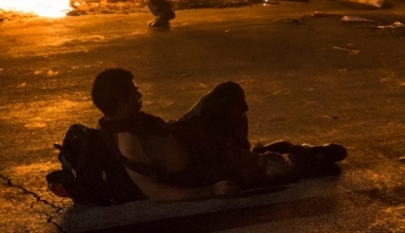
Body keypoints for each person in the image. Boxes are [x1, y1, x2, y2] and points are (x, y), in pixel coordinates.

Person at [91, 67, 347, 202]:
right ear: (122, 103)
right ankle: (304, 156)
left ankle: (247, 153)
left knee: (228, 93)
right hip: (206, 164)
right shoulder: (129, 144)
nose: (140, 95)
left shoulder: (125, 119)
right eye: (134, 93)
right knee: (277, 168)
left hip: (192, 134)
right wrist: (211, 191)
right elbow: (156, 194)